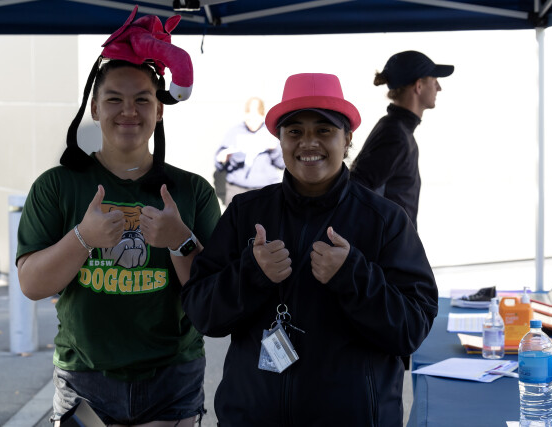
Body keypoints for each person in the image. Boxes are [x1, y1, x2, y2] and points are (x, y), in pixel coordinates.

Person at [181, 73, 438, 426]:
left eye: (324, 130)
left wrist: (353, 275)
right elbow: (201, 313)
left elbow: (412, 327)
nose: (308, 142)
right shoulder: (246, 212)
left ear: (347, 139)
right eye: (295, 131)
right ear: (280, 140)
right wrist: (251, 273)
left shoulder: (384, 220)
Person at [15, 7, 220, 426]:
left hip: (172, 375)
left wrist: (180, 241)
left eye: (142, 99)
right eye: (114, 100)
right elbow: (32, 285)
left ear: (159, 110)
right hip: (84, 378)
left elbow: (215, 300)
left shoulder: (193, 190)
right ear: (94, 108)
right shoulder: (57, 186)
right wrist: (82, 238)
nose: (129, 111)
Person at [350, 50, 454, 229]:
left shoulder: (395, 129)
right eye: (434, 80)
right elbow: (356, 190)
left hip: (398, 244)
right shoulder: (395, 134)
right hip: (392, 246)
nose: (439, 87)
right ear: (418, 86)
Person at [214, 96, 285, 205]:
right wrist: (222, 159)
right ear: (245, 115)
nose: (252, 122)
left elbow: (282, 164)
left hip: (266, 191)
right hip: (237, 190)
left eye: (256, 117)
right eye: (249, 118)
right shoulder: (235, 132)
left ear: (262, 115)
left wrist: (275, 149)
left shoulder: (271, 133)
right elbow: (219, 161)